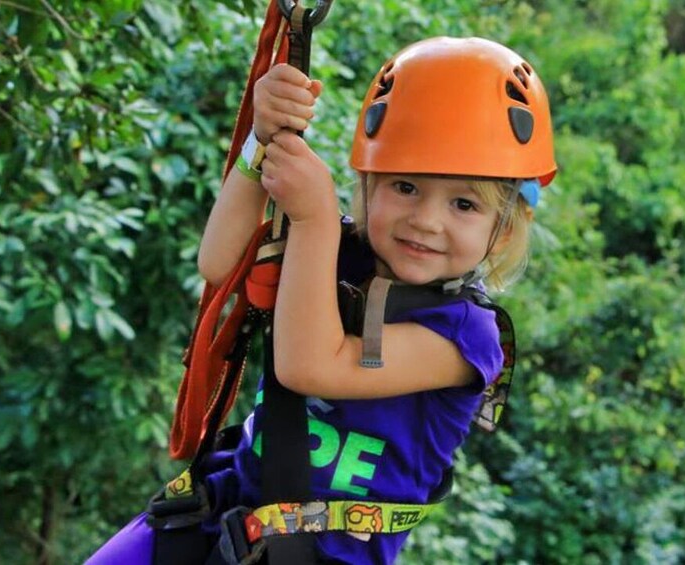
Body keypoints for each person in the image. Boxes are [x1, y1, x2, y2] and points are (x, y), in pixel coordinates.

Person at [86, 36, 555, 565]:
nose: (426, 220)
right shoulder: (337, 248)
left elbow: (309, 367)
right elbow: (220, 264)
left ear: (505, 228)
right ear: (368, 183)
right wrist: (261, 142)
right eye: (404, 186)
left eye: (464, 204)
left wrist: (313, 219)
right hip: (224, 507)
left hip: (324, 554)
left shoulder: (466, 336)